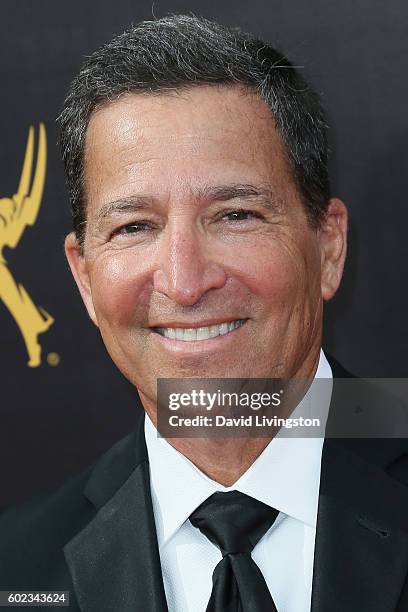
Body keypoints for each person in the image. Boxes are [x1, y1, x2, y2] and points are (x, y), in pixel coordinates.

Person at [1, 14, 408, 612]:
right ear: (84, 277)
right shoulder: (17, 564)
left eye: (236, 215)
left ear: (328, 246)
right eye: (134, 227)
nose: (185, 283)